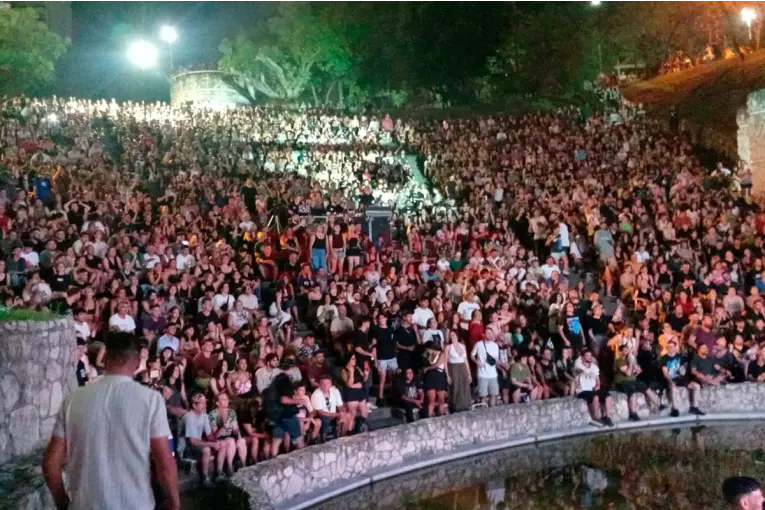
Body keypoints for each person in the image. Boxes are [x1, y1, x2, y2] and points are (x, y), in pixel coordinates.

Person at [42, 332, 180, 510]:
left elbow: (51, 464)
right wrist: (174, 503)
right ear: (137, 362)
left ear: (106, 359)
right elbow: (164, 461)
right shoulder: (151, 400)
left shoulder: (72, 400)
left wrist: (63, 503)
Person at [178, 393, 222, 487]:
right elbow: (193, 442)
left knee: (221, 444)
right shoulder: (189, 417)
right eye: (202, 403)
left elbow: (209, 435)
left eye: (205, 403)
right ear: (194, 405)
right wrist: (212, 444)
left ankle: (220, 474)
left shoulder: (204, 415)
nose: (205, 405)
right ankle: (205, 478)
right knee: (207, 449)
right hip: (185, 449)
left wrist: (216, 441)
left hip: (195, 445)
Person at [660, 340, 704, 417]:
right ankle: (674, 409)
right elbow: (665, 373)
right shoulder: (664, 358)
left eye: (671, 347)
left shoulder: (679, 357)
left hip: (680, 378)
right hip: (669, 378)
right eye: (668, 347)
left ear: (675, 348)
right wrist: (671, 381)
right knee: (673, 387)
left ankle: (694, 407)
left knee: (696, 386)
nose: (670, 349)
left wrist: (684, 369)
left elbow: (686, 364)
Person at [574, 349, 614, 426]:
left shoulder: (594, 367)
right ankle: (596, 418)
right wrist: (586, 371)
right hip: (582, 390)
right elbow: (577, 370)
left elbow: (598, 381)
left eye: (590, 355)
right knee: (595, 396)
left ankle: (607, 417)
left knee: (607, 396)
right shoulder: (578, 366)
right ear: (582, 357)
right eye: (587, 356)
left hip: (592, 390)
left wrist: (597, 385)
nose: (589, 357)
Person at [471, 327, 500, 406]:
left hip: (493, 374)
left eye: (491, 333)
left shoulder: (495, 345)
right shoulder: (479, 344)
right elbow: (472, 355)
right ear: (484, 334)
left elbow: (496, 359)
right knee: (483, 396)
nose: (489, 335)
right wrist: (476, 361)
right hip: (482, 374)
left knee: (493, 395)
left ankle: (492, 410)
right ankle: (483, 411)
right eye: (488, 333)